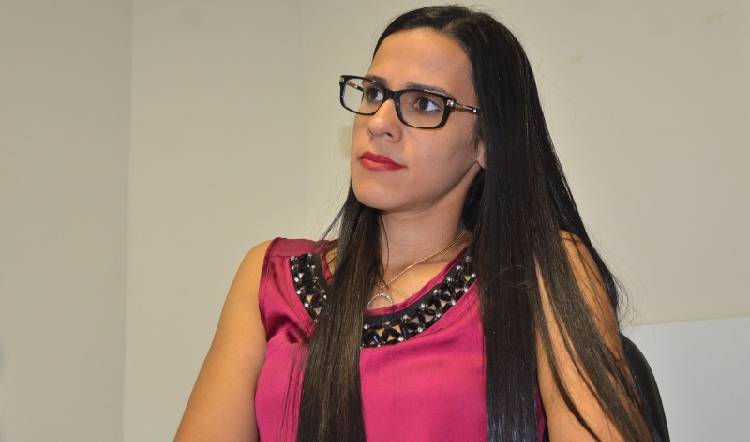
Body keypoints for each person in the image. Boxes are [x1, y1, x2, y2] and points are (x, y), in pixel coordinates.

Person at [175, 5, 657, 442]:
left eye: (424, 104)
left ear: (486, 143)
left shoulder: (542, 268)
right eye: (374, 93)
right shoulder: (270, 277)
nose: (379, 121)